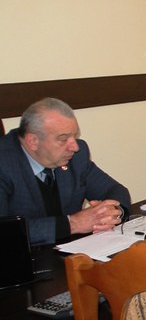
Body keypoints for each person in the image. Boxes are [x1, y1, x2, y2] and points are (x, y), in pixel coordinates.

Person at [0, 98, 131, 246]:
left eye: (74, 136)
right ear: (33, 141)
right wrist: (72, 224)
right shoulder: (4, 162)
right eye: (63, 139)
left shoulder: (76, 156)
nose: (75, 147)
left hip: (73, 250)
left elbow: (115, 190)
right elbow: (5, 232)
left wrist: (111, 213)